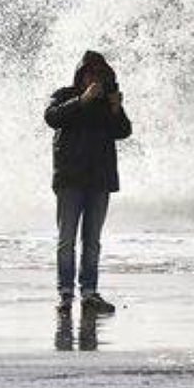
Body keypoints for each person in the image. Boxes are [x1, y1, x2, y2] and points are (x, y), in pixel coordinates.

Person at [44, 50, 133, 314]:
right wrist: (82, 100)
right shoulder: (64, 95)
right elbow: (52, 117)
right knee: (66, 240)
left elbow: (123, 132)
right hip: (70, 179)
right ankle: (65, 294)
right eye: (90, 73)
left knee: (92, 241)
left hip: (99, 181)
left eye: (100, 74)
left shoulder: (107, 102)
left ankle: (89, 293)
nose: (94, 79)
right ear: (81, 75)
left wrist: (116, 108)